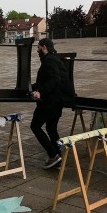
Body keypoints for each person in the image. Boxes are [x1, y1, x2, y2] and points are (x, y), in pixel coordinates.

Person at [30, 38, 72, 169]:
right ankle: (59, 159)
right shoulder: (54, 59)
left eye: (38, 47)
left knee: (35, 126)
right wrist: (32, 87)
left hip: (50, 102)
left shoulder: (49, 61)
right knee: (51, 128)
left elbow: (55, 78)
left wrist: (40, 92)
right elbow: (49, 79)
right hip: (58, 101)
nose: (37, 50)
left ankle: (53, 155)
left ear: (43, 47)